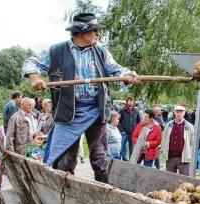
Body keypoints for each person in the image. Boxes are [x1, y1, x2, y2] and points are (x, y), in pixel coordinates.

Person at [22, 13, 140, 182]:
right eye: (94, 31)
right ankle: (64, 196)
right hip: (69, 112)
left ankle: (104, 194)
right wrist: (35, 77)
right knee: (65, 159)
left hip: (96, 111)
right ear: (80, 32)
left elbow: (117, 70)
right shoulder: (57, 51)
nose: (98, 34)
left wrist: (128, 75)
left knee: (100, 157)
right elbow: (30, 62)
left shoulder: (101, 52)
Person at [161, 106, 194, 176]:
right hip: (170, 157)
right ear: (174, 113)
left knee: (185, 180)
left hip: (183, 158)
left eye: (181, 112)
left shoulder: (189, 126)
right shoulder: (169, 125)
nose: (179, 114)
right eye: (177, 112)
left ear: (184, 113)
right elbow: (164, 139)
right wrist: (164, 150)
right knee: (169, 179)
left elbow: (192, 142)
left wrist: (189, 153)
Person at [119, 96, 140, 161]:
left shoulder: (136, 111)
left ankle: (131, 161)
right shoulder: (122, 110)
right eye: (129, 101)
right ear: (127, 102)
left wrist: (136, 131)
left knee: (132, 149)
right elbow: (118, 120)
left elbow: (138, 121)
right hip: (124, 133)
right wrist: (121, 130)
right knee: (121, 148)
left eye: (132, 101)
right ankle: (121, 160)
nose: (130, 102)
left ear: (133, 103)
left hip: (132, 133)